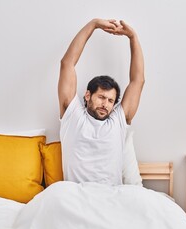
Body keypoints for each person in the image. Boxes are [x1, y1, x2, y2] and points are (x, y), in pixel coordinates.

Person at [58, 18, 144, 186]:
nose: (106, 104)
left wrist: (133, 37)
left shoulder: (117, 120)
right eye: (101, 97)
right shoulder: (73, 116)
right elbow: (67, 64)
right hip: (76, 197)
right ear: (88, 96)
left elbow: (138, 81)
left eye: (111, 100)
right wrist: (93, 24)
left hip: (111, 197)